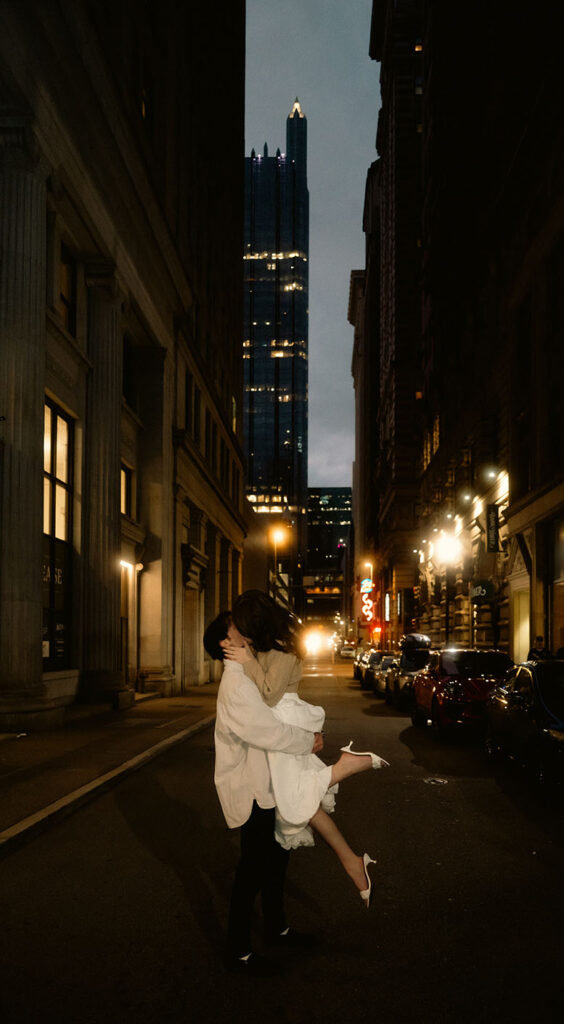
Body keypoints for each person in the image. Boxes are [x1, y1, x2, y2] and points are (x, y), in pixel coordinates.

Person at [225, 590, 388, 904]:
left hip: (285, 722)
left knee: (294, 799)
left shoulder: (283, 651)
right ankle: (353, 861)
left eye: (245, 627)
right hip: (277, 725)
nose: (242, 633)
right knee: (302, 805)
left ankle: (346, 766)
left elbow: (270, 695)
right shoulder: (265, 648)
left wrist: (246, 660)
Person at [204, 610, 323, 976]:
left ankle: (277, 928)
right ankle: (238, 950)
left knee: (277, 861)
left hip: (269, 784)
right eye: (235, 628)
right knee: (251, 871)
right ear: (227, 644)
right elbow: (267, 730)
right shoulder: (236, 685)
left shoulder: (247, 673)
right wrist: (308, 741)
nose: (244, 628)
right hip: (253, 788)